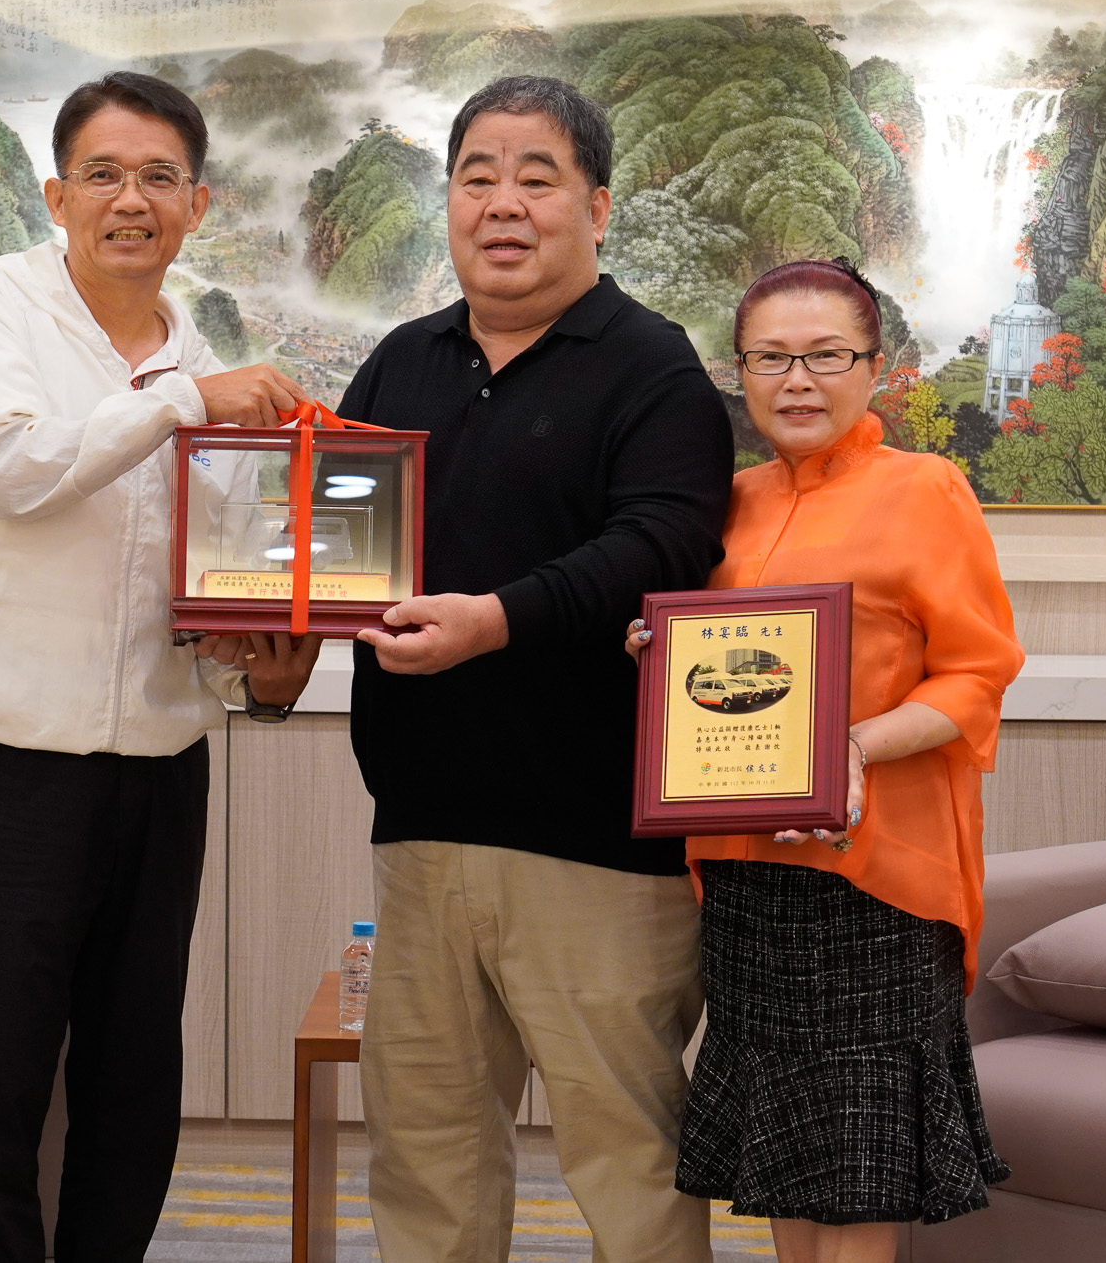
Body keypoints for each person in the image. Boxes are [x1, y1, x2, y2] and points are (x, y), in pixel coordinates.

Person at [0, 70, 322, 1260]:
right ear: (56, 196)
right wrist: (181, 402)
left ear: (198, 204)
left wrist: (267, 677)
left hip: (158, 762)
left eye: (156, 177)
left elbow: (217, 580)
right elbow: (12, 469)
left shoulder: (206, 355)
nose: (128, 200)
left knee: (136, 1075)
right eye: (101, 174)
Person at [336, 76, 734, 1263]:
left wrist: (492, 622)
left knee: (628, 1168)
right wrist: (267, 646)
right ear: (447, 202)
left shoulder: (652, 367)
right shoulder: (396, 363)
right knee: (427, 1166)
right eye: (476, 177)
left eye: (535, 177)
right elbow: (335, 551)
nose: (501, 203)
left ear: (596, 207)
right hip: (419, 835)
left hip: (598, 848)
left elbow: (661, 544)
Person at [626, 258, 1023, 1263]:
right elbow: (721, 678)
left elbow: (976, 674)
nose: (796, 380)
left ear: (873, 368)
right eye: (770, 358)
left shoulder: (925, 490)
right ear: (740, 372)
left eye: (825, 356)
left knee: (855, 1179)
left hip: (873, 878)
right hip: (745, 873)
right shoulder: (726, 502)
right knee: (789, 1164)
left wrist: (850, 746)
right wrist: (657, 652)